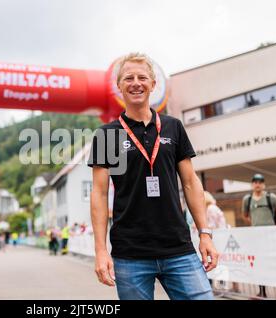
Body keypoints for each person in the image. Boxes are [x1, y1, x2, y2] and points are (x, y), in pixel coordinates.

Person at [88, 52, 218, 300]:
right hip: (130, 254)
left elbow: (191, 183)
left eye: (142, 77)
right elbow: (99, 193)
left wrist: (205, 233)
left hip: (178, 248)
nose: (135, 82)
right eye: (128, 78)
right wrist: (100, 250)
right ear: (119, 86)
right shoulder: (107, 134)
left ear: (153, 83)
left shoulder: (173, 127)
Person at [242, 173, 276, 298]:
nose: (257, 184)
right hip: (257, 238)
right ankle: (262, 291)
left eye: (260, 182)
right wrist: (254, 226)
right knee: (259, 264)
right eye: (255, 182)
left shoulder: (272, 197)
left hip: (271, 237)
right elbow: (245, 215)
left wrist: (275, 226)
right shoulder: (247, 199)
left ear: (263, 184)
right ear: (252, 184)